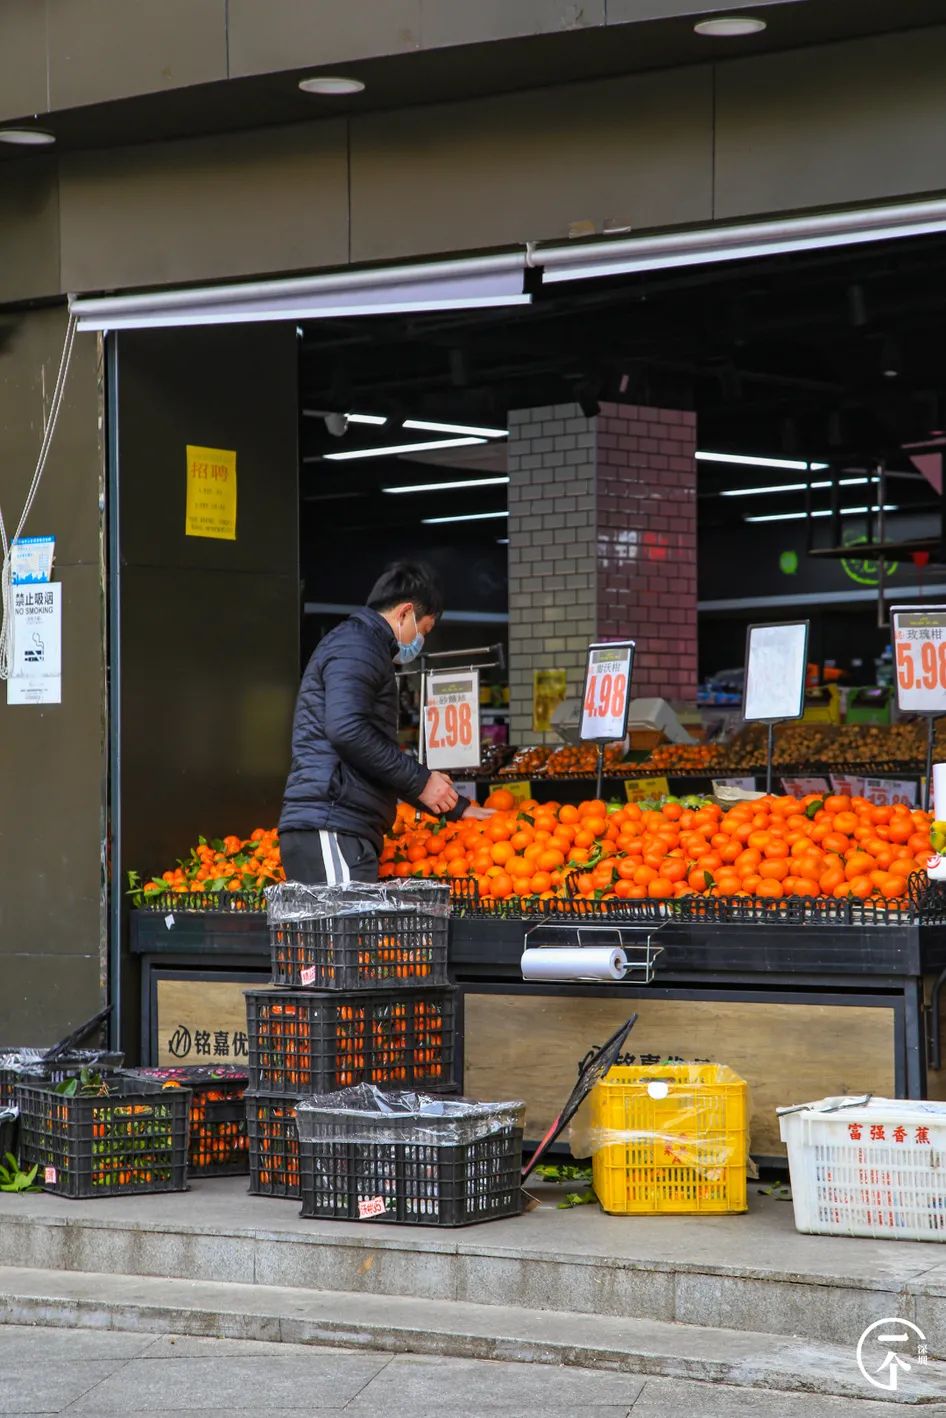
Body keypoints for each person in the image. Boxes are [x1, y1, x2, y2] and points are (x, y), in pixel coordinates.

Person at [279, 560, 490, 884]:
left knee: (347, 918)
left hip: (342, 824)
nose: (421, 640)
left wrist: (455, 807)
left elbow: (373, 753)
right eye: (424, 630)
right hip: (331, 822)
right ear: (405, 612)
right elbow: (347, 730)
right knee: (340, 918)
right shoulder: (356, 646)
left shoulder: (363, 646)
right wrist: (422, 780)